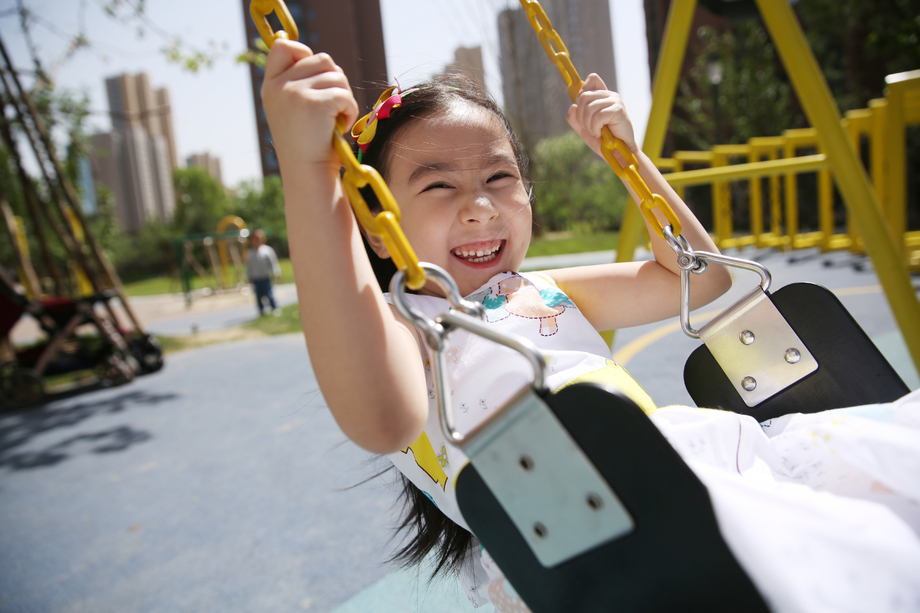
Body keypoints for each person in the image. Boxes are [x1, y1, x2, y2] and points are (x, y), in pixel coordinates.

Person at [262, 39, 920, 612]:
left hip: (681, 472)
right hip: (583, 549)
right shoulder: (403, 329)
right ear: (379, 225)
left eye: (500, 176)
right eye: (439, 186)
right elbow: (381, 419)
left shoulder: (544, 291)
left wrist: (630, 159)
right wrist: (309, 172)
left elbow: (701, 278)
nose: (481, 206)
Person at [246, 228, 282, 316]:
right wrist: (249, 276)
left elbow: (273, 262)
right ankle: (261, 310)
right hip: (256, 278)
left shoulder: (267, 250)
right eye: (255, 238)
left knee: (269, 293)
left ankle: (274, 307)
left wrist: (276, 272)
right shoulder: (250, 253)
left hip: (265, 276)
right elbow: (249, 266)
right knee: (258, 295)